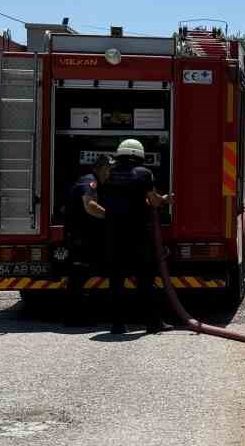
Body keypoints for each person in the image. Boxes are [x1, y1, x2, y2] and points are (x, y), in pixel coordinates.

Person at [86, 138, 173, 335]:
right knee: (145, 280)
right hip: (138, 234)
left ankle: (117, 325)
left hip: (112, 232)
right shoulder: (144, 173)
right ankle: (153, 323)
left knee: (116, 280)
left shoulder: (107, 173)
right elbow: (153, 201)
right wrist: (165, 200)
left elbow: (99, 196)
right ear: (139, 155)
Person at [62, 154, 111, 322]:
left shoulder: (94, 181)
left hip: (84, 236)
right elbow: (90, 206)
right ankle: (74, 317)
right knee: (78, 276)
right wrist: (113, 217)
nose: (109, 173)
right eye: (108, 169)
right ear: (100, 169)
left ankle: (77, 315)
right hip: (80, 237)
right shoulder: (90, 181)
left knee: (81, 275)